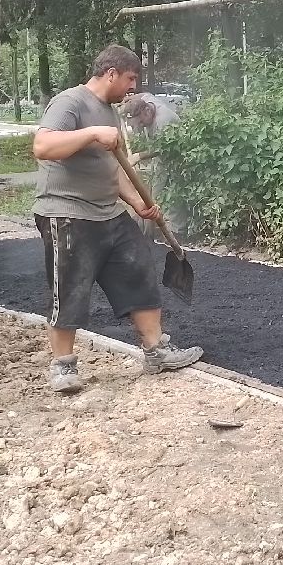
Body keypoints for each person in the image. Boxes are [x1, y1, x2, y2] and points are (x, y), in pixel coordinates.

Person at [32, 44, 203, 393]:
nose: (133, 87)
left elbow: (116, 169)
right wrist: (92, 134)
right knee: (70, 289)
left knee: (139, 270)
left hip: (109, 211)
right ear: (111, 73)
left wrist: (138, 202)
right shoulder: (71, 102)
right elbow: (43, 147)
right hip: (67, 213)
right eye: (130, 78)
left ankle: (156, 351)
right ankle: (63, 367)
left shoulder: (109, 112)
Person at [120, 92, 187, 239]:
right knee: (152, 193)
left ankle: (177, 231)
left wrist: (139, 156)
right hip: (161, 159)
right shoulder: (145, 101)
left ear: (147, 111)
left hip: (175, 157)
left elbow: (162, 149)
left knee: (167, 194)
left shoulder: (164, 121)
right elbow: (145, 94)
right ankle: (148, 231)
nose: (141, 126)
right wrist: (128, 98)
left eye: (141, 123)